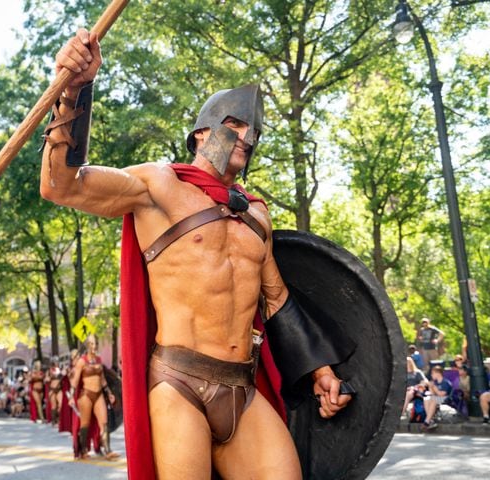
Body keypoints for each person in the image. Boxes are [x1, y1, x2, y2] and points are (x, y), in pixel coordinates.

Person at [40, 29, 353, 479]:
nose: (247, 136)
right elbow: (61, 184)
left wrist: (319, 368)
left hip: (242, 389)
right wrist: (75, 88)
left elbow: (277, 300)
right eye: (235, 125)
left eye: (255, 131)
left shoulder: (256, 215)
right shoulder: (161, 186)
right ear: (202, 133)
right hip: (179, 383)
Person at [68, 335, 118, 460]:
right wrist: (71, 396)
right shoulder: (82, 361)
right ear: (86, 345)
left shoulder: (99, 360)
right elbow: (75, 381)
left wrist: (109, 393)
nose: (93, 346)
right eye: (91, 344)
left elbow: (102, 380)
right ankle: (83, 450)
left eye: (95, 343)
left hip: (99, 394)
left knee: (104, 423)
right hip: (86, 395)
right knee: (85, 423)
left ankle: (107, 450)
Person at [421, 365, 452, 430]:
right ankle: (430, 420)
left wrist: (433, 386)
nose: (431, 375)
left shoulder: (445, 382)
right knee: (426, 399)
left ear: (438, 373)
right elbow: (432, 394)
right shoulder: (435, 382)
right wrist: (430, 386)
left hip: (445, 398)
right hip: (436, 398)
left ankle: (427, 421)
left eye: (433, 373)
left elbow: (442, 394)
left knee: (434, 399)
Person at [47, 358, 64, 425]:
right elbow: (46, 378)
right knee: (54, 406)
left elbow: (63, 375)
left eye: (57, 361)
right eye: (55, 361)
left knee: (61, 404)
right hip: (52, 389)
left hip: (59, 389)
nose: (57, 362)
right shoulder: (50, 370)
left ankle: (59, 419)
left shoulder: (60, 369)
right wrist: (47, 379)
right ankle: (54, 420)